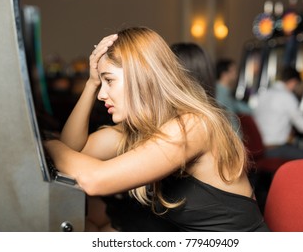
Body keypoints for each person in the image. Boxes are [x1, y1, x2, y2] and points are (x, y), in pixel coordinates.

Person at [44, 26, 269, 231]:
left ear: (141, 78)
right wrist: (91, 83)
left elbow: (93, 180)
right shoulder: (142, 130)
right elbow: (73, 150)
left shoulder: (192, 126)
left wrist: (47, 142)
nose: (102, 95)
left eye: (109, 81)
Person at [253, 66, 303, 160]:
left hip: (258, 147)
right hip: (275, 149)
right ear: (293, 82)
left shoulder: (264, 93)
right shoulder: (287, 97)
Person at [216, 58, 253, 135]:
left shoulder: (225, 92)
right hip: (229, 137)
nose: (236, 73)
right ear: (224, 74)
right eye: (233, 70)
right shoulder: (220, 93)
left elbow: (238, 106)